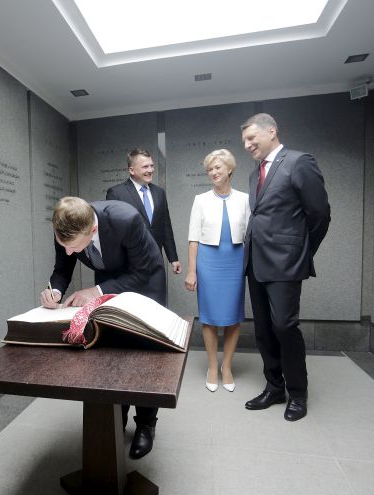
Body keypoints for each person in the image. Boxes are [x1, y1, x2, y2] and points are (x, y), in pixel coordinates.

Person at [40, 196, 166, 458]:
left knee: (143, 357)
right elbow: (62, 268)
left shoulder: (127, 219)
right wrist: (55, 291)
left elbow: (142, 272)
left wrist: (95, 291)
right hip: (108, 281)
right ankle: (117, 415)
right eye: (64, 245)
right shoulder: (66, 228)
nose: (69, 252)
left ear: (93, 229)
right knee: (113, 353)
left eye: (74, 247)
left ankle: (146, 424)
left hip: (145, 281)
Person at [240, 113, 330, 421]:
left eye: (252, 138)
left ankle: (298, 393)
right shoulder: (255, 174)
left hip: (285, 263)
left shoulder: (298, 161)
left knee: (284, 327)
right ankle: (274, 387)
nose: (247, 145)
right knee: (263, 330)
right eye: (244, 141)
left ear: (272, 131)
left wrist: (301, 252)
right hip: (256, 262)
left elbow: (320, 213)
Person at [184, 150, 250, 393]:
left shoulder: (245, 199)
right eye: (209, 169)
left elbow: (251, 235)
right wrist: (192, 271)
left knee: (233, 316)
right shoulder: (200, 199)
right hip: (208, 263)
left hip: (235, 262)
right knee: (210, 316)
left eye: (217, 167)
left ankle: (227, 367)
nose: (213, 172)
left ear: (229, 169)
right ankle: (212, 366)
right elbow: (193, 238)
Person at [106, 148, 182, 283]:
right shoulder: (116, 193)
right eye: (145, 166)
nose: (151, 170)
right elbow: (112, 232)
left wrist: (173, 258)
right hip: (128, 265)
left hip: (155, 262)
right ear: (132, 170)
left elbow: (165, 227)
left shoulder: (159, 193)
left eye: (151, 165)